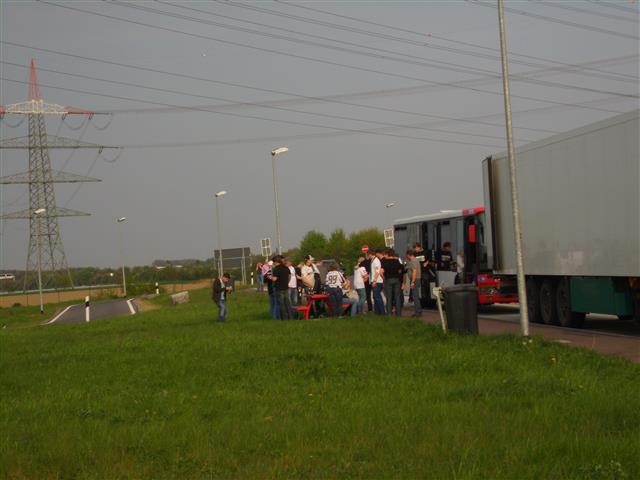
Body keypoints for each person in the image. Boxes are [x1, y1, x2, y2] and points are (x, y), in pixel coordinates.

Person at [381, 250, 404, 317]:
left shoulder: (385, 262)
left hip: (388, 280)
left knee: (389, 298)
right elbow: (402, 270)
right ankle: (398, 314)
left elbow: (381, 272)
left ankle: (389, 314)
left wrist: (384, 278)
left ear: (388, 254)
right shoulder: (397, 261)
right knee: (397, 297)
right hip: (397, 280)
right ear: (393, 255)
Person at [271, 255, 293, 320]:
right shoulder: (286, 267)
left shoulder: (276, 269)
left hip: (279, 288)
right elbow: (289, 276)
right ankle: (291, 317)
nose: (273, 263)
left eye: (273, 262)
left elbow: (274, 279)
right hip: (286, 287)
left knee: (281, 304)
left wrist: (270, 277)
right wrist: (287, 282)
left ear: (276, 262)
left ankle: (284, 318)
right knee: (288, 303)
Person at [405, 250, 422, 317]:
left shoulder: (413, 261)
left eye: (406, 255)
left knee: (415, 296)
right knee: (415, 296)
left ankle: (417, 312)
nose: (406, 256)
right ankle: (418, 311)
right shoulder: (413, 261)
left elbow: (414, 271)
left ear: (409, 255)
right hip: (415, 279)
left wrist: (412, 282)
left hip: (415, 280)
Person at [370, 249, 385, 315]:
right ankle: (377, 312)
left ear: (370, 254)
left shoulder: (376, 261)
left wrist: (374, 280)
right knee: (375, 297)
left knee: (377, 297)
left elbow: (377, 271)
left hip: (377, 281)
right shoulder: (373, 260)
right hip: (375, 281)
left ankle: (382, 312)